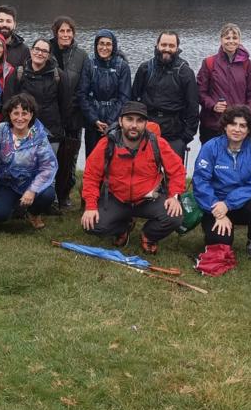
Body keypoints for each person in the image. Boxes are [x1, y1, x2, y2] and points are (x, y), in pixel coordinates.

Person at [80, 101, 185, 254]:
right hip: (117, 198)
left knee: (175, 217)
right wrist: (90, 206)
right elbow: (91, 176)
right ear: (121, 121)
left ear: (146, 123)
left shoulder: (157, 143)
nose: (134, 125)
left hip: (148, 199)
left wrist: (174, 196)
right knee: (91, 225)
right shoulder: (106, 144)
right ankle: (123, 228)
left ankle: (149, 235)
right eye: (129, 119)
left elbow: (177, 170)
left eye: (139, 120)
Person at [193, 105, 251, 261]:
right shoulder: (210, 147)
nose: (237, 129)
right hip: (214, 205)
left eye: (242, 125)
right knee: (221, 243)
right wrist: (217, 207)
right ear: (225, 126)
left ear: (249, 130)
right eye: (233, 124)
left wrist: (228, 204)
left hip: (241, 204)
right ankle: (219, 232)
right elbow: (201, 181)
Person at [0, 93, 57, 229]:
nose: (20, 118)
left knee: (48, 195)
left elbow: (48, 167)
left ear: (31, 115)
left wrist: (32, 190)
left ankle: (34, 213)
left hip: (30, 182)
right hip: (6, 184)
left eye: (24, 113)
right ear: (9, 114)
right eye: (16, 113)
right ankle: (16, 208)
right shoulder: (1, 130)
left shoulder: (39, 135)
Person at [130, 31, 199, 159]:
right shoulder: (145, 69)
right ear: (157, 45)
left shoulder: (185, 72)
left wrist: (186, 137)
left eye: (171, 46)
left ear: (177, 48)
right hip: (146, 130)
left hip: (175, 134)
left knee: (172, 176)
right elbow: (134, 101)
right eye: (164, 45)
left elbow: (193, 108)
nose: (167, 49)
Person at [1, 38, 70, 152]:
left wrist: (59, 128)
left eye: (44, 51)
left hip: (51, 133)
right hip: (21, 131)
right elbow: (8, 102)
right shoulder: (18, 73)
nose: (39, 53)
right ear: (31, 51)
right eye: (37, 49)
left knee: (47, 168)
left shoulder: (58, 76)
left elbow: (65, 105)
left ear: (48, 55)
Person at [49, 16, 89, 210]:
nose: (65, 35)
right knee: (50, 155)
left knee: (70, 156)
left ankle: (64, 194)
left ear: (73, 33)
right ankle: (48, 196)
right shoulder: (47, 51)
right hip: (51, 113)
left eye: (69, 31)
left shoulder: (81, 55)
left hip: (73, 114)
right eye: (61, 31)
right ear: (55, 33)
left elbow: (84, 86)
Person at [196, 23, 251, 144]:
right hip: (213, 125)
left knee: (239, 161)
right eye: (227, 38)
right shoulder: (209, 63)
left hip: (238, 127)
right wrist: (213, 105)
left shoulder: (247, 64)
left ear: (239, 40)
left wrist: (248, 116)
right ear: (221, 40)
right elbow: (200, 92)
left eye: (234, 38)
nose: (231, 41)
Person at [78, 29, 132, 160]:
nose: (104, 47)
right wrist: (95, 120)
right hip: (93, 120)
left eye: (108, 44)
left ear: (113, 46)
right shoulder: (89, 63)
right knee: (92, 157)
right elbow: (82, 94)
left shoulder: (122, 66)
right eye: (101, 43)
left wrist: (110, 122)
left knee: (113, 159)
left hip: (114, 119)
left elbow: (124, 97)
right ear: (96, 45)